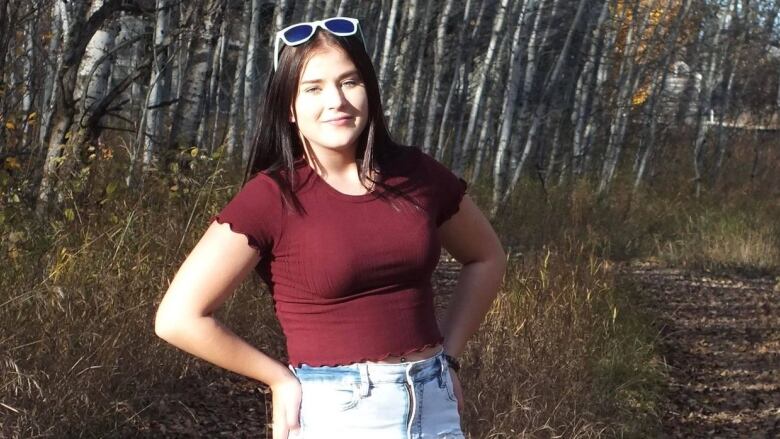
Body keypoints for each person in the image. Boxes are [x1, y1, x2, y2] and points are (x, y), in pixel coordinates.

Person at [154, 16, 506, 439]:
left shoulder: (418, 174)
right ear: (289, 106)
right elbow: (177, 317)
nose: (336, 100)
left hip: (434, 407)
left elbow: (486, 257)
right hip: (341, 414)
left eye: (350, 82)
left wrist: (448, 356)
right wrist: (278, 379)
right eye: (313, 88)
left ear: (369, 91)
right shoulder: (272, 197)